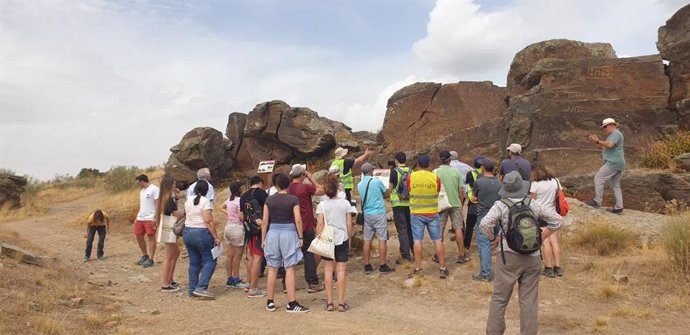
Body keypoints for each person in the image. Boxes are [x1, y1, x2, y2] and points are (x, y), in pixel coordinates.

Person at [478, 171, 563, 335]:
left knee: (499, 299)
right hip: (533, 258)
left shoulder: (501, 205)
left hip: (508, 257)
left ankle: (494, 332)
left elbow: (484, 224)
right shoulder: (533, 204)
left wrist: (493, 239)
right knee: (529, 301)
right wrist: (542, 236)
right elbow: (558, 220)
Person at [262, 173, 310, 313]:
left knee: (272, 268)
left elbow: (265, 221)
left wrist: (264, 238)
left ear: (276, 185)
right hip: (288, 233)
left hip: (272, 233)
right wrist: (300, 237)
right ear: (288, 184)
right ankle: (291, 303)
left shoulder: (269, 200)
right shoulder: (293, 199)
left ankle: (270, 301)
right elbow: (298, 219)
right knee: (290, 268)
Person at [315, 175, 356, 312]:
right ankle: (341, 303)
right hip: (342, 237)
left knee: (328, 269)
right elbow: (349, 223)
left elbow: (320, 223)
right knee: (341, 270)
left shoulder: (322, 205)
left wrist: (319, 237)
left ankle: (330, 302)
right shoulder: (345, 203)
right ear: (338, 188)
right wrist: (349, 239)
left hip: (328, 238)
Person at [407, 155, 449, 279]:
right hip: (432, 212)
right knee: (437, 240)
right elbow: (437, 192)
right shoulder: (435, 177)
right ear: (429, 165)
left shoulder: (411, 177)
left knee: (417, 240)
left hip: (416, 213)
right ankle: (442, 267)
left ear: (418, 165)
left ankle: (418, 268)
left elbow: (409, 190)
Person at [287, 164, 326, 292]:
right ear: (303, 175)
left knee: (289, 255)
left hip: (291, 226)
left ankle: (286, 284)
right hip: (306, 225)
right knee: (309, 254)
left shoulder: (288, 189)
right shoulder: (304, 187)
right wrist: (312, 178)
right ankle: (313, 283)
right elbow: (322, 191)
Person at [183, 180, 220, 299]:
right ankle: (201, 287)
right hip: (202, 232)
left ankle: (192, 289)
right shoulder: (206, 202)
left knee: (194, 263)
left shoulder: (188, 201)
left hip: (188, 232)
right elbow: (208, 220)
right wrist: (215, 236)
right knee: (210, 260)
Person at [358, 162, 395, 274]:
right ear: (371, 171)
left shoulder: (359, 185)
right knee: (382, 239)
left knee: (367, 240)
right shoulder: (377, 182)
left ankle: (367, 265)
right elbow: (386, 194)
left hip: (367, 214)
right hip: (378, 213)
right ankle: (382, 265)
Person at [585, 117, 625, 214]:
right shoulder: (612, 135)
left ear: (611, 125)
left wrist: (598, 140)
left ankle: (597, 202)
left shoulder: (616, 134)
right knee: (615, 185)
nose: (604, 129)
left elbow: (610, 145)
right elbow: (602, 146)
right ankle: (619, 207)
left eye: (605, 127)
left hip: (613, 162)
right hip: (618, 163)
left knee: (598, 179)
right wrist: (595, 140)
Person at [529, 164, 563, 277]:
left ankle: (548, 268)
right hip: (553, 213)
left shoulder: (535, 184)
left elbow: (532, 201)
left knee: (544, 241)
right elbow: (559, 195)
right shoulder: (556, 181)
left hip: (541, 215)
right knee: (554, 241)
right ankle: (557, 267)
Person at [434, 150, 467, 264]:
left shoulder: (435, 172)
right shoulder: (455, 172)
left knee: (440, 230)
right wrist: (460, 202)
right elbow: (461, 190)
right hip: (455, 203)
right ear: (449, 160)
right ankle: (461, 254)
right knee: (458, 228)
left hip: (441, 204)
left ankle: (438, 255)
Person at [472, 158, 501, 282]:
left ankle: (486, 273)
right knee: (499, 244)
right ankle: (502, 271)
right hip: (498, 215)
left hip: (483, 215)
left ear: (483, 167)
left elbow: (474, 198)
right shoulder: (500, 182)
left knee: (484, 244)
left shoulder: (479, 182)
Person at [155, 175, 186, 293]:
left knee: (175, 253)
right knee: (169, 255)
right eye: (174, 184)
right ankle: (165, 283)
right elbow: (176, 213)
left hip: (166, 227)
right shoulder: (168, 198)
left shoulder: (166, 197)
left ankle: (170, 280)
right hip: (169, 229)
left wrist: (177, 196)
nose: (175, 185)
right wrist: (185, 212)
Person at [241, 176, 269, 298]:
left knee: (252, 257)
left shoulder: (243, 196)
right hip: (259, 230)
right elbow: (269, 209)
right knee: (258, 257)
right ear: (260, 183)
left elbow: (241, 216)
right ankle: (253, 288)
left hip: (249, 230)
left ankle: (248, 283)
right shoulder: (261, 193)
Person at [221, 181, 247, 289]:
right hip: (237, 228)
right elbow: (241, 217)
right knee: (237, 256)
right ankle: (236, 279)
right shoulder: (240, 201)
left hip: (228, 228)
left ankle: (230, 278)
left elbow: (221, 207)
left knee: (229, 255)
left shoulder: (230, 200)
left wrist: (230, 214)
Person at [389, 152, 414, 263]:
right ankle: (415, 250)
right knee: (410, 228)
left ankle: (405, 255)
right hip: (410, 203)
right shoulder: (411, 172)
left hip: (398, 204)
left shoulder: (394, 172)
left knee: (402, 229)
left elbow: (390, 189)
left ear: (396, 161)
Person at [134, 174, 159, 268]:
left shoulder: (155, 189)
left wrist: (155, 217)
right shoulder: (142, 191)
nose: (137, 185)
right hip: (140, 217)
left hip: (150, 217)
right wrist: (137, 217)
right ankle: (145, 255)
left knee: (151, 237)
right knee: (138, 235)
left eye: (138, 182)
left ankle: (151, 259)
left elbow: (158, 204)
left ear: (142, 181)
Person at [463, 156, 484, 259]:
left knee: (469, 226)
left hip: (473, 203)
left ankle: (466, 246)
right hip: (484, 203)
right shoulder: (487, 173)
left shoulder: (470, 173)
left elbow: (467, 184)